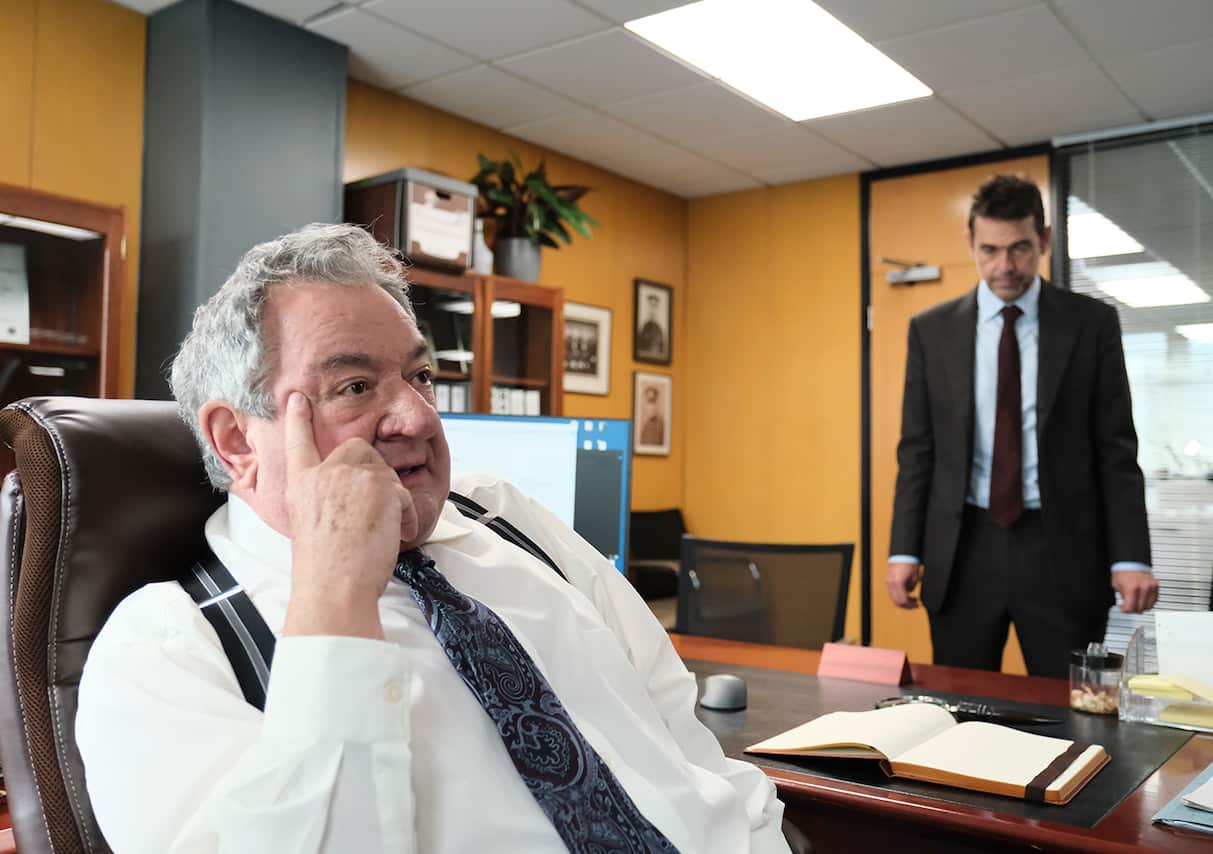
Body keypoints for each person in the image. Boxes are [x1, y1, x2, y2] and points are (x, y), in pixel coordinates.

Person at [75, 224, 789, 853]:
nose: (417, 419)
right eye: (355, 387)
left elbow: (685, 742)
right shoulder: (166, 649)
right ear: (237, 441)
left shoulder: (507, 519)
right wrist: (335, 593)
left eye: (419, 376)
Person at [885, 175, 1159, 678]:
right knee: (960, 707)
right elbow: (917, 451)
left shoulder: (1091, 324)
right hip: (963, 547)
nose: (1004, 266)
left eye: (1020, 249)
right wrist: (904, 548)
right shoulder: (932, 330)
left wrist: (1131, 557)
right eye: (989, 250)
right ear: (970, 243)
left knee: (1070, 713)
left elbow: (1115, 448)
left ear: (1045, 241)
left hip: (1062, 550)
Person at [638, 292, 667, 359]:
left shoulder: (660, 328)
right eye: (650, 305)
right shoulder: (643, 326)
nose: (652, 309)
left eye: (654, 306)